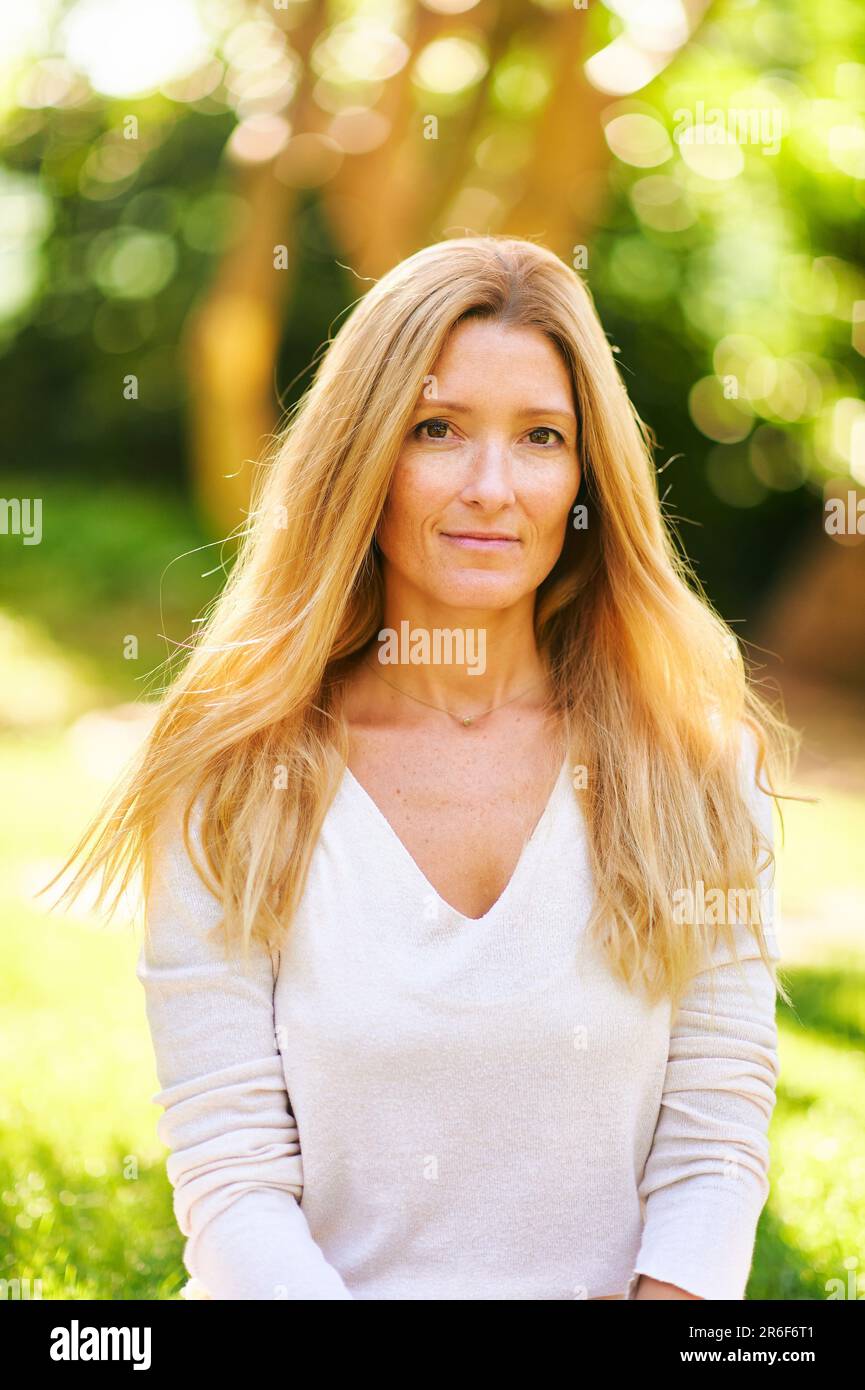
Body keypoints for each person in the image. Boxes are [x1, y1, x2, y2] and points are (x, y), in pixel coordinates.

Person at [54, 234, 797, 1300]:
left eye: (541, 436)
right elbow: (230, 1176)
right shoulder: (229, 776)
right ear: (364, 455)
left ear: (588, 474)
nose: (492, 486)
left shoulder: (693, 763)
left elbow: (716, 1131)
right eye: (436, 428)